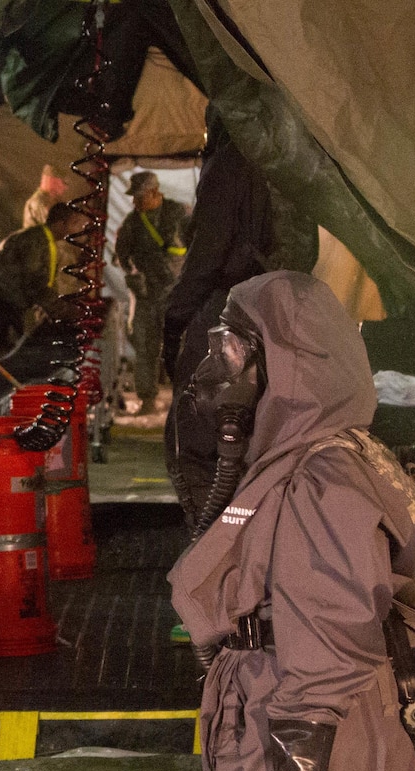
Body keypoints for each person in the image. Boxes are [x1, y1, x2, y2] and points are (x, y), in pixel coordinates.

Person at [168, 271, 415, 771]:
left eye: (233, 349)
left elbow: (333, 640)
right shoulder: (283, 464)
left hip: (308, 733)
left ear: (288, 363)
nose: (213, 372)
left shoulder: (322, 478)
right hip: (267, 719)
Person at [162, 109, 317, 526]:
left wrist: (173, 324)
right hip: (289, 316)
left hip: (231, 317)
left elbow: (206, 259)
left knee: (196, 451)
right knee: (270, 454)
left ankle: (215, 560)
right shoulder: (292, 161)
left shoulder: (231, 165)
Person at [113, 171, 190, 410]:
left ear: (155, 192)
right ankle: (147, 397)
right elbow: (121, 254)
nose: (135, 202)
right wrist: (134, 273)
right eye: (133, 197)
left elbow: (198, 245)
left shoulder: (179, 214)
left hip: (176, 292)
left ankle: (185, 397)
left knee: (181, 345)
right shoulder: (131, 224)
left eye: (139, 196)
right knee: (144, 344)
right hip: (146, 294)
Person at [0, 193, 86, 355]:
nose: (79, 229)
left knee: (12, 355)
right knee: (4, 358)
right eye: (75, 223)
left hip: (7, 303)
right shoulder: (36, 241)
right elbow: (36, 284)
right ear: (61, 224)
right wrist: (67, 311)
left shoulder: (46, 242)